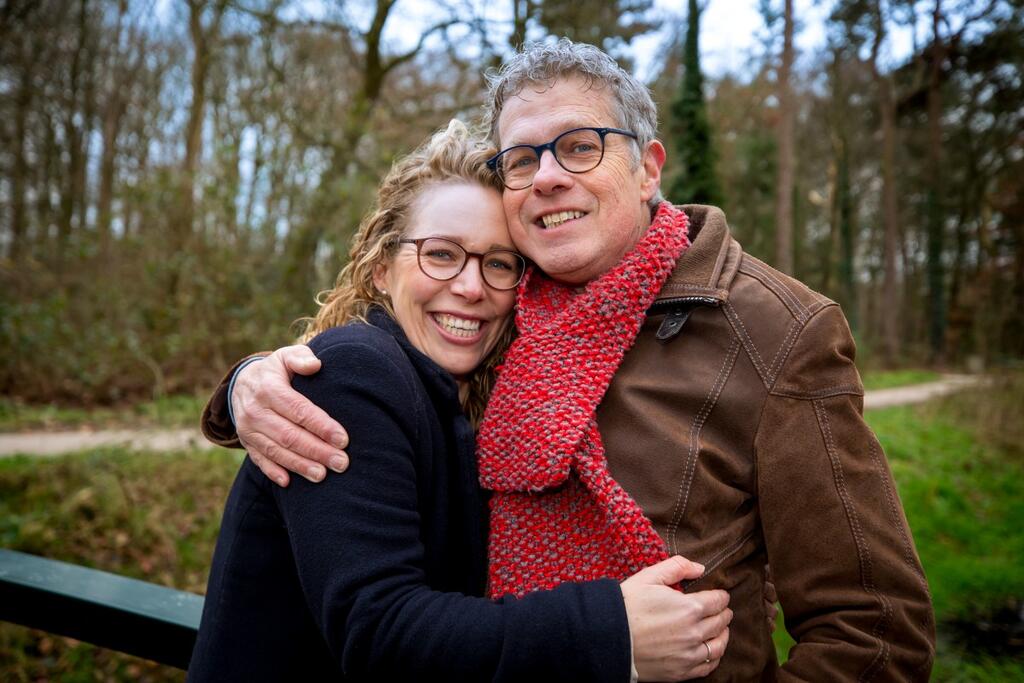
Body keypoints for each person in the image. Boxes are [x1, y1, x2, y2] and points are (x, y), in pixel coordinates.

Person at [202, 41, 936, 678]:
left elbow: (873, 630)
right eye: (521, 159)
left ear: (648, 167)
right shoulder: (505, 318)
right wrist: (249, 386)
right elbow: (375, 367)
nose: (548, 175)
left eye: (580, 146)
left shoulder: (774, 330)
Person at [188, 121, 733, 682]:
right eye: (442, 254)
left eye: (498, 264)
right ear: (381, 268)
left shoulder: (478, 405)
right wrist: (616, 635)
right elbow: (379, 632)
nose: (472, 287)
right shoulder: (354, 372)